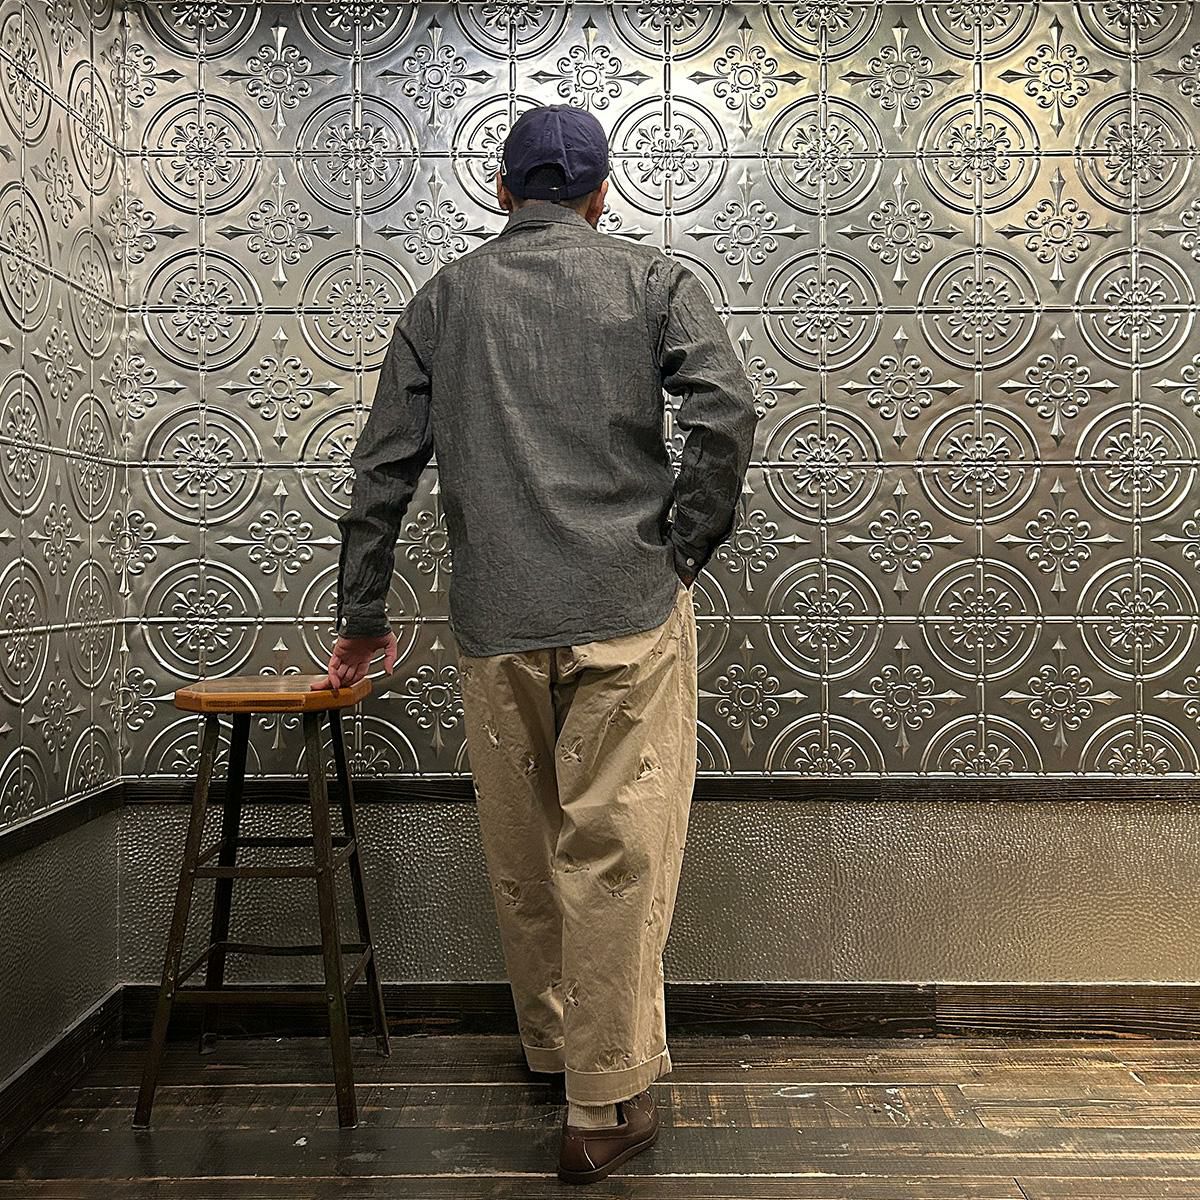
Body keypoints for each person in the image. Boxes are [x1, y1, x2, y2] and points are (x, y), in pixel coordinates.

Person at [313, 103, 758, 1183]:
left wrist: (362, 616)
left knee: (525, 851)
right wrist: (680, 549)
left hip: (497, 621)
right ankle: (600, 1104)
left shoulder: (444, 297)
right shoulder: (654, 281)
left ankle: (557, 1047)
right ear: (602, 194)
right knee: (615, 854)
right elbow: (726, 409)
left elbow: (383, 469)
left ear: (503, 190)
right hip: (627, 614)